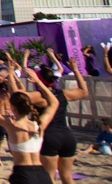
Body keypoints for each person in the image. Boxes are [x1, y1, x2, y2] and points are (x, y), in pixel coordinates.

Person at [0, 68, 58, 184]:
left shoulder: (11, 125)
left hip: (22, 173)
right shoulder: (38, 125)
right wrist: (38, 82)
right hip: (41, 173)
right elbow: (54, 103)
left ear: (12, 107)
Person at [27, 55, 89, 184]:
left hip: (49, 136)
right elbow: (84, 91)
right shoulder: (63, 94)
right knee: (67, 177)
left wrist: (12, 76)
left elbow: (17, 96)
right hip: (67, 136)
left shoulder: (38, 96)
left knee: (49, 177)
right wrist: (75, 71)